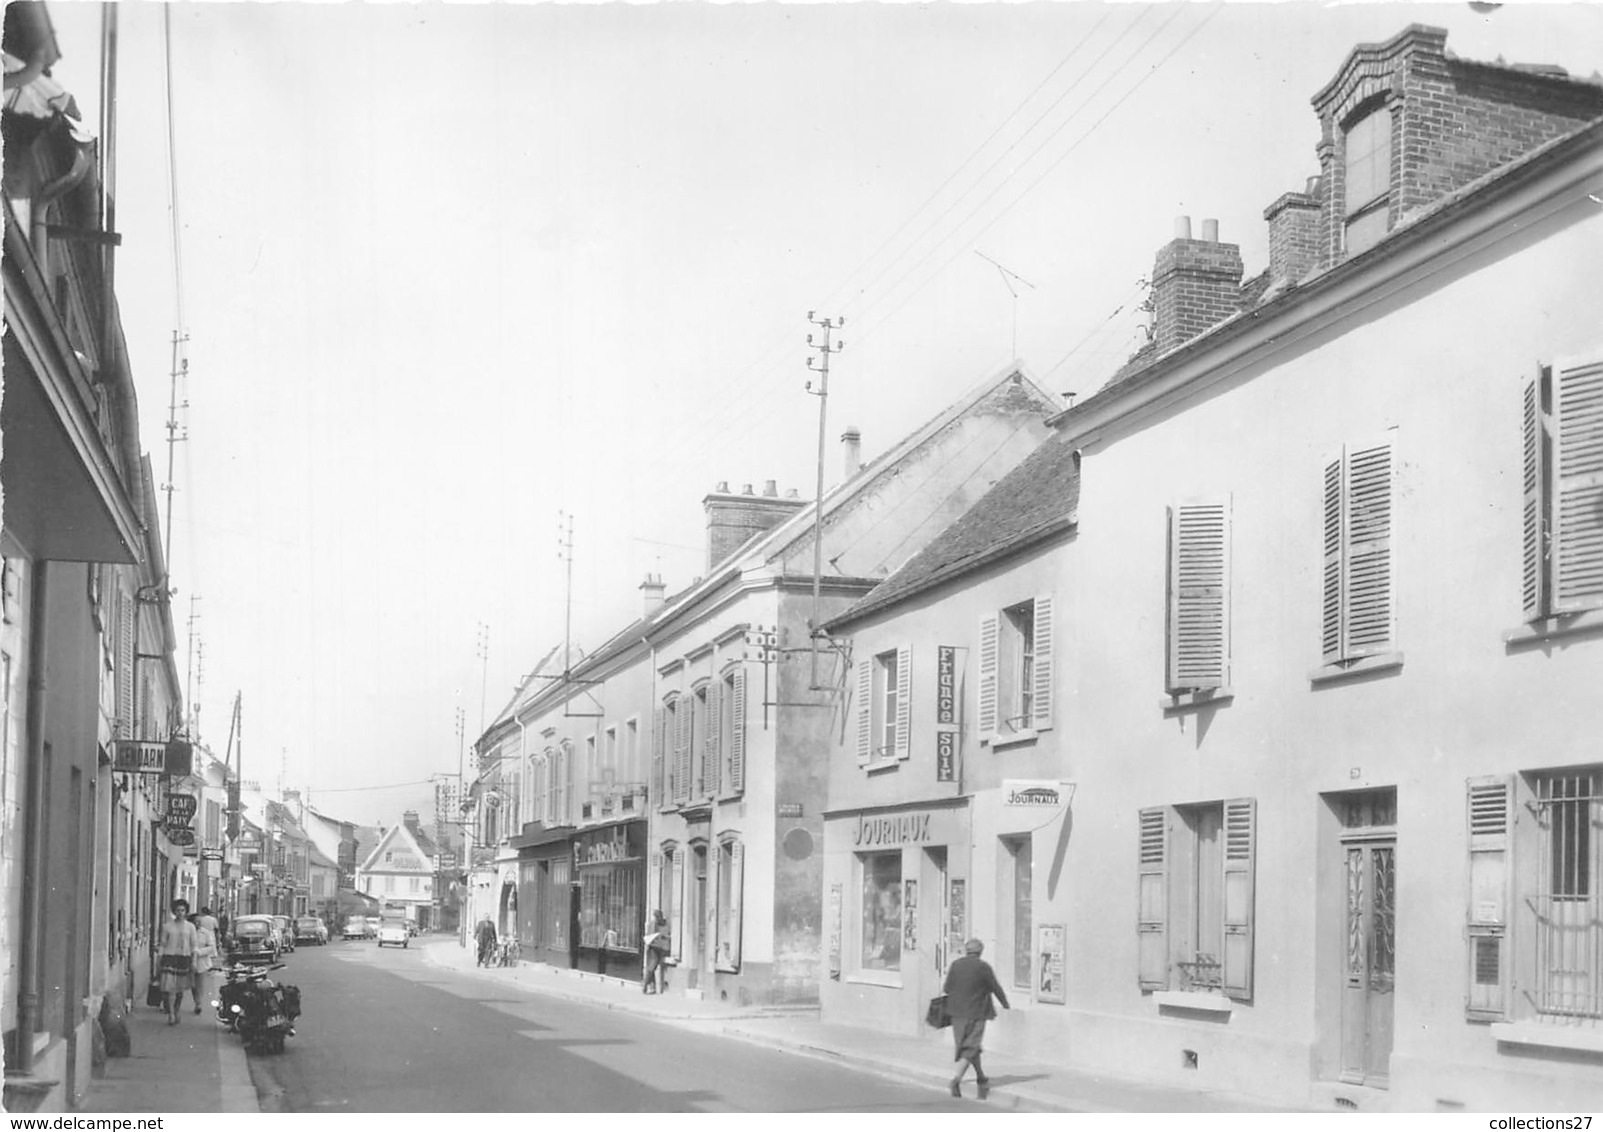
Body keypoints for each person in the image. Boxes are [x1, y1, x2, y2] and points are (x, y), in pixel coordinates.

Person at [942, 938, 1010, 1100]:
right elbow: (995, 987)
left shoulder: (956, 965)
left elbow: (946, 988)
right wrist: (1004, 1003)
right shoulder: (983, 967)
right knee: (971, 1047)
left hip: (956, 1013)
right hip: (976, 1012)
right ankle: (956, 1079)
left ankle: (981, 1077)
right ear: (980, 952)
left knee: (968, 1046)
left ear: (967, 950)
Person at [157, 899, 198, 1025]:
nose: (180, 913)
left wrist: (194, 960)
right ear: (174, 911)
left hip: (183, 958)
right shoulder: (167, 926)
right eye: (178, 910)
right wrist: (159, 959)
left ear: (186, 912)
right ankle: (171, 1014)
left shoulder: (190, 927)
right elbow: (162, 944)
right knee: (169, 988)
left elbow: (194, 945)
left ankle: (176, 1010)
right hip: (169, 957)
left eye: (182, 910)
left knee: (180, 988)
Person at [191, 907, 221, 1016]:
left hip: (201, 962)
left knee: (199, 984)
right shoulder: (188, 932)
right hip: (189, 962)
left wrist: (199, 952)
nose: (197, 924)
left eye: (199, 922)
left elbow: (211, 947)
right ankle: (196, 1000)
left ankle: (198, 1004)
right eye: (195, 922)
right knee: (192, 985)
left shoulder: (206, 933)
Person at [642, 910, 670, 994]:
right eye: (656, 917)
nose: (657, 919)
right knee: (651, 967)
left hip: (660, 948)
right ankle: (645, 986)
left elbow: (667, 935)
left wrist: (664, 937)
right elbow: (648, 936)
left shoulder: (664, 925)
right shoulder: (652, 924)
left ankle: (650, 986)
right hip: (652, 948)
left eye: (658, 917)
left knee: (652, 968)